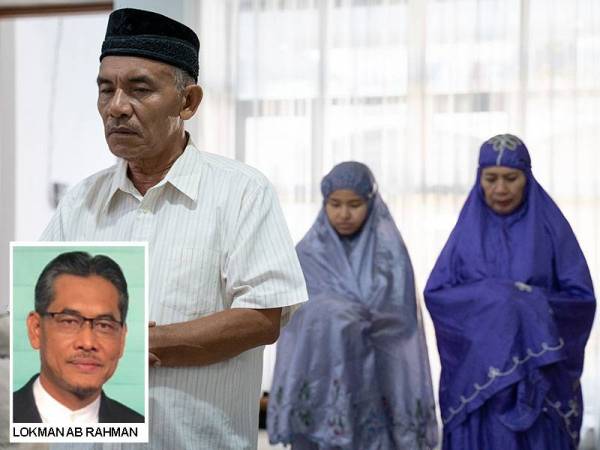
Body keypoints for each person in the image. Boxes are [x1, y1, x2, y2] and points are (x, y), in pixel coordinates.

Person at [41, 7, 307, 449]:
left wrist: (145, 342)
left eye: (139, 89)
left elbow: (263, 317)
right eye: (106, 90)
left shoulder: (240, 192)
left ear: (188, 102)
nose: (117, 107)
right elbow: (45, 305)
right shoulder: (81, 201)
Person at [424, 134, 596, 450]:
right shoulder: (466, 233)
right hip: (479, 387)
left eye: (510, 178)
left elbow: (581, 301)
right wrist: (496, 300)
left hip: (539, 386)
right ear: (479, 180)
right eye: (491, 178)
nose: (500, 189)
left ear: (526, 179)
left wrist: (524, 303)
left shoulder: (551, 229)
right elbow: (437, 296)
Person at [268, 162, 438, 449]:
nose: (343, 214)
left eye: (354, 204)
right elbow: (291, 316)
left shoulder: (390, 256)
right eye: (335, 204)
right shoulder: (307, 253)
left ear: (371, 203)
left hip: (376, 382)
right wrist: (335, 313)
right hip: (322, 380)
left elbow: (402, 320)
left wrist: (361, 318)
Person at [13, 251, 143, 424]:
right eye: (69, 322)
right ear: (36, 329)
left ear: (122, 339)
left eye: (104, 325)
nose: (88, 343)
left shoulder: (139, 426)